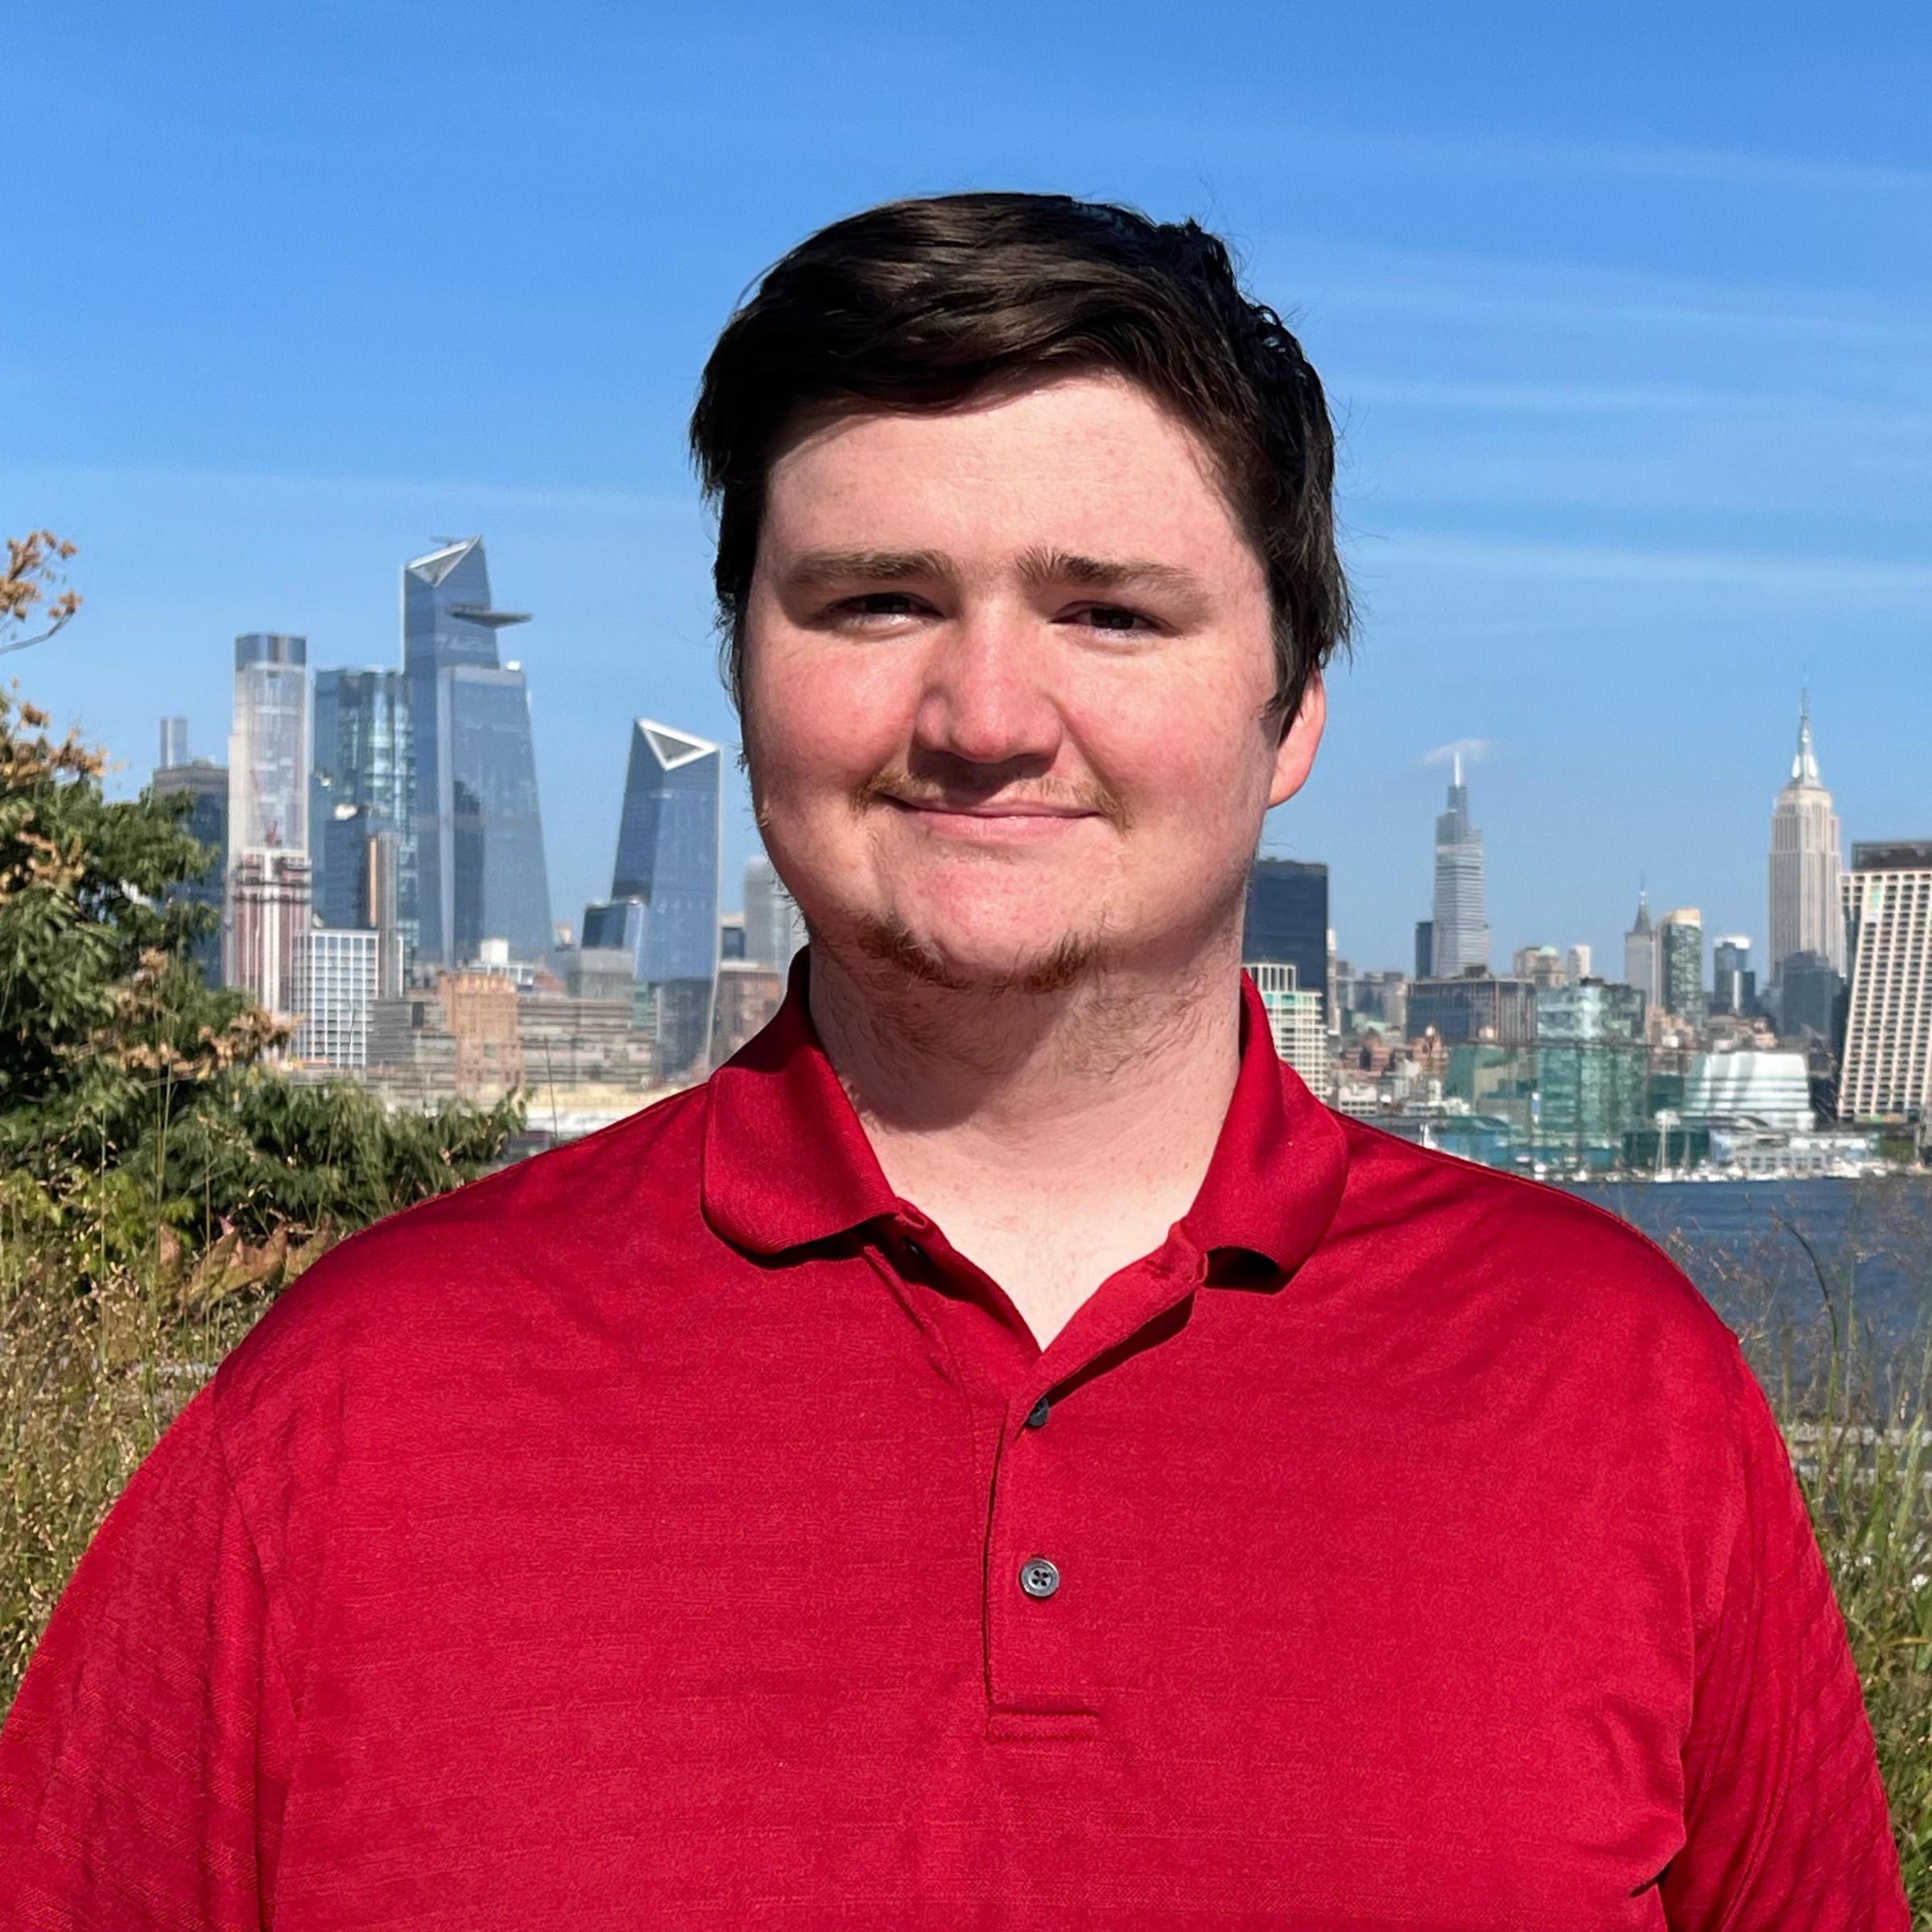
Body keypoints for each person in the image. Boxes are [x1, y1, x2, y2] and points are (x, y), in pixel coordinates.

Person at [0, 192, 1905, 1928]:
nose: (986, 716)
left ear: (1293, 704)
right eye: (878, 601)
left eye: (1111, 612)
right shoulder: (352, 1403)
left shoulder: (1621, 1385)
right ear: (746, 672)